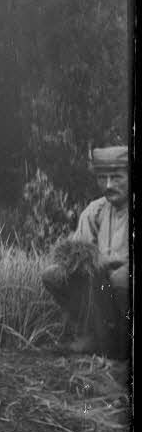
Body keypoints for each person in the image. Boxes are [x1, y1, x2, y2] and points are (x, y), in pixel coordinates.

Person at [41, 145, 130, 358]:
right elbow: (80, 249)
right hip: (99, 285)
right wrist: (74, 261)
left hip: (122, 283)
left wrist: (109, 262)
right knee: (53, 275)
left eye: (116, 177)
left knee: (119, 278)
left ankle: (123, 340)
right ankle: (93, 335)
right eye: (102, 178)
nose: (108, 185)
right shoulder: (95, 211)